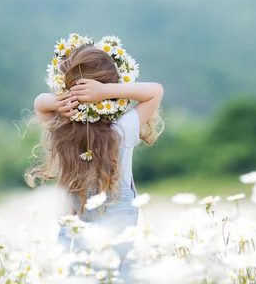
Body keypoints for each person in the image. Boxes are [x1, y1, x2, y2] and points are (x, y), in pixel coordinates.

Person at [25, 43, 163, 274]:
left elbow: (40, 104)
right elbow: (155, 91)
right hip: (120, 233)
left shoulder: (62, 128)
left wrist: (61, 101)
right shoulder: (121, 130)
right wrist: (105, 92)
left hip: (73, 231)